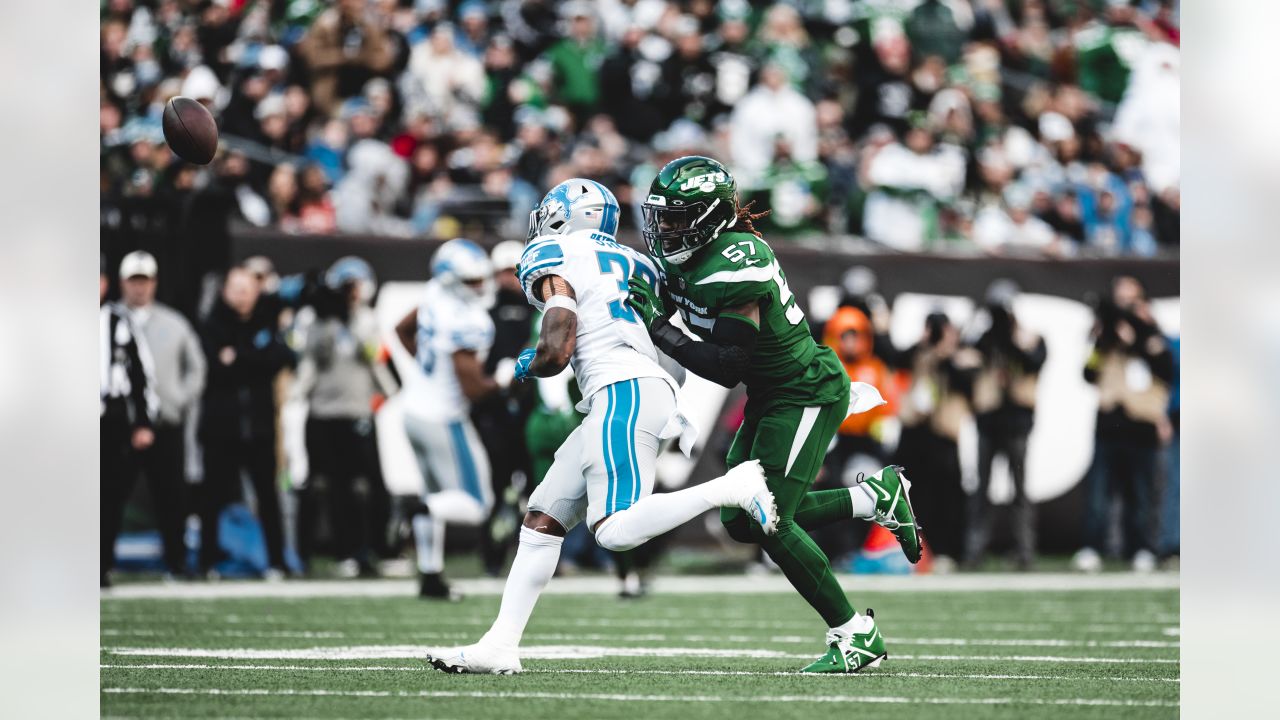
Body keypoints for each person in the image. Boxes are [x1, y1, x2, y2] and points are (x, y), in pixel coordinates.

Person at [424, 178, 775, 675]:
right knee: (542, 518)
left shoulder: (552, 252)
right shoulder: (639, 261)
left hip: (622, 391)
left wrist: (528, 363)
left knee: (614, 531)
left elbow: (558, 346)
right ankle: (500, 644)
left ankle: (730, 487)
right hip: (627, 390)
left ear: (563, 215)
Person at [629, 156, 921, 673]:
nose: (665, 228)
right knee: (740, 520)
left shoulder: (736, 261)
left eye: (678, 218)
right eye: (662, 217)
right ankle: (871, 498)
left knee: (770, 518)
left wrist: (660, 328)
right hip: (770, 393)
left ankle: (856, 635)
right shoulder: (685, 261)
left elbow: (725, 364)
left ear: (710, 217)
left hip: (804, 389)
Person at [394, 238, 510, 599]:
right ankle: (414, 507)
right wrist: (504, 379)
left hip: (413, 409)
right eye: (470, 280)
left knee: (437, 498)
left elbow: (402, 329)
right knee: (476, 505)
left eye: (480, 278)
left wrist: (431, 373)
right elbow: (475, 391)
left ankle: (430, 575)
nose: (480, 286)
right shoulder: (468, 319)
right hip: (443, 418)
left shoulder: (433, 295)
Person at [293, 257, 393, 578]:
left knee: (366, 486)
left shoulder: (365, 319)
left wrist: (349, 320)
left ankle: (374, 548)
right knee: (330, 486)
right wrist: (328, 321)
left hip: (357, 410)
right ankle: (338, 550)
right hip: (324, 411)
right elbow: (315, 355)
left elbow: (370, 353)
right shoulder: (315, 319)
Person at [198, 267, 296, 579]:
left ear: (257, 292)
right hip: (220, 427)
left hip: (259, 427)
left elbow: (280, 358)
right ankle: (207, 562)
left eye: (247, 288)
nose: (241, 295)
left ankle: (276, 561)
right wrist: (253, 356)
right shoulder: (211, 325)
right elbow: (215, 367)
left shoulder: (266, 323)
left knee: (267, 496)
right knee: (212, 497)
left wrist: (239, 356)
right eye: (236, 288)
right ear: (225, 291)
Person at [1073, 276, 1174, 573]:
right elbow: (1088, 373)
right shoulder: (1106, 338)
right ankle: (1092, 546)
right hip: (1109, 422)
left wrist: (1138, 339)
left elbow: (1166, 370)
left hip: (1141, 423)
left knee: (1141, 493)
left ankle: (1142, 547)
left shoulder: (1153, 334)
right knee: (1099, 492)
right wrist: (1103, 339)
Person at [118, 251, 207, 578]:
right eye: (133, 281)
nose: (139, 288)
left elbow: (196, 368)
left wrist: (179, 399)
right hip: (121, 426)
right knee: (110, 497)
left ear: (154, 283)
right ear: (123, 282)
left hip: (165, 423)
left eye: (145, 280)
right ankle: (100, 564)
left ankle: (177, 561)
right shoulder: (107, 321)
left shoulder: (174, 323)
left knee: (172, 497)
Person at [963, 280, 1047, 571]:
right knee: (981, 490)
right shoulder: (984, 338)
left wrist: (1012, 339)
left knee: (1019, 492)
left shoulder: (1030, 337)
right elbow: (966, 361)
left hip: (1017, 422)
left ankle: (1024, 550)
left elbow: (1033, 363)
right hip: (989, 422)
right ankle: (975, 550)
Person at [470, 240, 534, 576]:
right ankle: (492, 556)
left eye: (513, 272)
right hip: (494, 413)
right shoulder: (482, 315)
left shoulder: (539, 312)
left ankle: (534, 558)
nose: (508, 279)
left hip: (529, 412)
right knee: (496, 487)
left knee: (536, 490)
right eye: (502, 273)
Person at [100, 259, 157, 588]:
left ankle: (102, 564)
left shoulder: (119, 322)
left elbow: (142, 376)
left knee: (108, 495)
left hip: (111, 419)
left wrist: (144, 422)